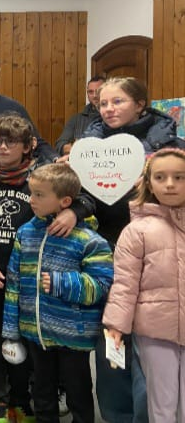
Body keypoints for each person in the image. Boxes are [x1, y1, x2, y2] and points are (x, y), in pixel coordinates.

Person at [0, 113, 93, 423]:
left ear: (27, 146)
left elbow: (84, 199)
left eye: (11, 142)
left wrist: (74, 213)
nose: (3, 147)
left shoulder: (40, 180)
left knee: (28, 343)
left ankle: (22, 400)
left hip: (31, 281)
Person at [81, 76, 185, 423]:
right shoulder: (89, 147)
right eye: (103, 103)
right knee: (111, 338)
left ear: (140, 104)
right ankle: (116, 415)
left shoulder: (171, 146)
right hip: (107, 249)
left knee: (152, 347)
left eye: (118, 101)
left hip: (160, 252)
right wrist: (75, 202)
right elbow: (83, 195)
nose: (108, 109)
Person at [2, 163, 113, 423]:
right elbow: (13, 283)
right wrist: (11, 330)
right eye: (31, 193)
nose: (31, 200)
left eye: (39, 195)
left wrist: (62, 283)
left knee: (78, 392)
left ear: (65, 201)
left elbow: (102, 284)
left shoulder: (89, 240)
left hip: (73, 335)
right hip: (36, 331)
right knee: (42, 391)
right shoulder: (25, 233)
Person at [103, 148, 185, 422]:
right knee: (161, 403)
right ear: (149, 183)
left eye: (179, 177)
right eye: (161, 177)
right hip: (155, 331)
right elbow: (125, 283)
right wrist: (116, 325)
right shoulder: (136, 231)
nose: (170, 184)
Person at [54, 75, 106, 156]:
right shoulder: (76, 119)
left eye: (98, 91)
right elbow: (59, 145)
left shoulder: (114, 117)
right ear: (87, 94)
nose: (95, 95)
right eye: (91, 92)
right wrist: (76, 147)